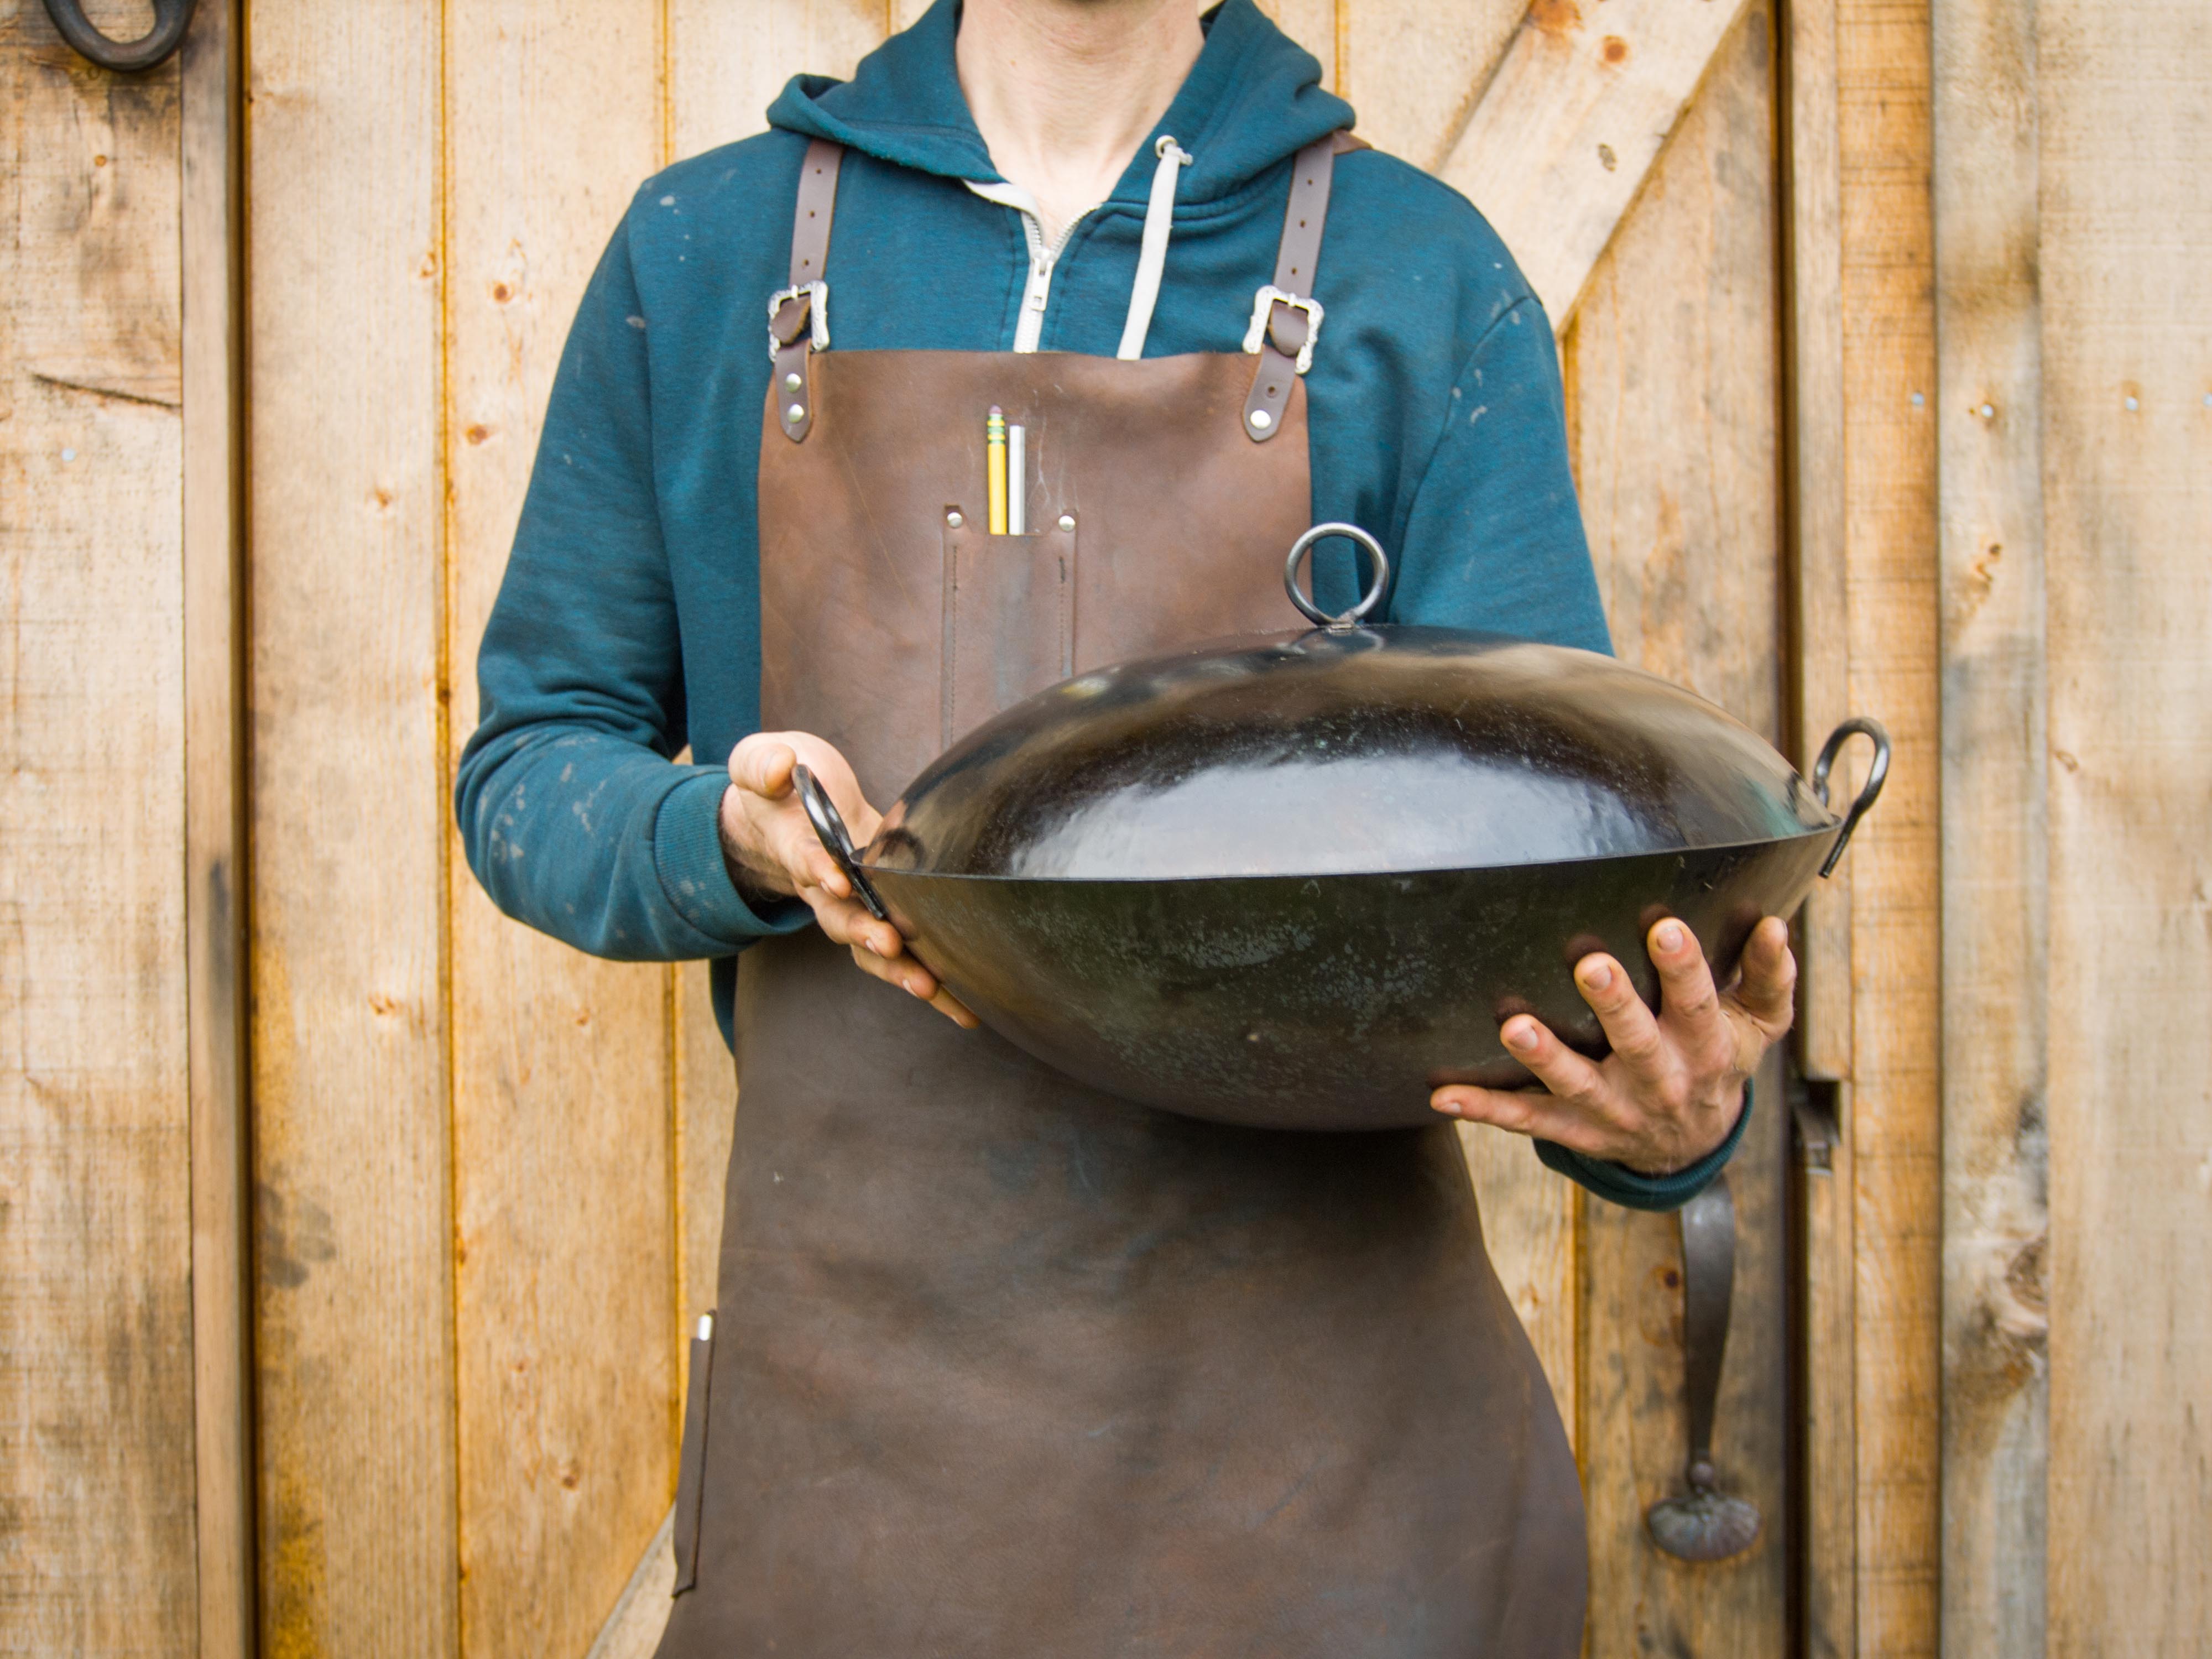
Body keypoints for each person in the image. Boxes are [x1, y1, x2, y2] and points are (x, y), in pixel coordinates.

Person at [456, 0, 1795, 1651]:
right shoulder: (705, 254)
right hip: (865, 1474)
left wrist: (1680, 1125)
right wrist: (718, 838)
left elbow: (1570, 885)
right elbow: (531, 772)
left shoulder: (1423, 277)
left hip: (1345, 1507)